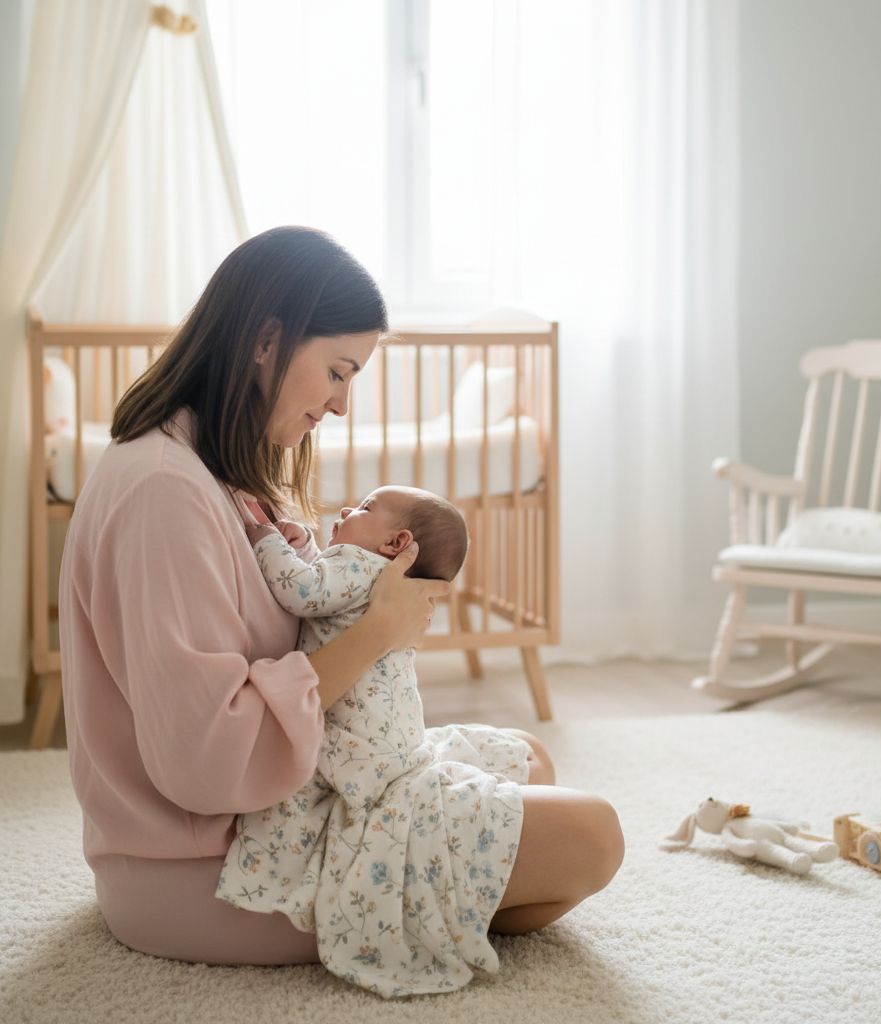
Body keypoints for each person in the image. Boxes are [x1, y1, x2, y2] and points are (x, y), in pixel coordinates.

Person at [58, 225, 624, 971]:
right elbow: (201, 760)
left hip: (277, 810)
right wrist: (380, 629)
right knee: (595, 836)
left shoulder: (210, 466)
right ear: (266, 339)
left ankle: (447, 895)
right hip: (210, 866)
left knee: (533, 760)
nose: (341, 404)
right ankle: (438, 902)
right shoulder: (164, 492)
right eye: (336, 371)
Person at [218, 484, 539, 996]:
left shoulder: (356, 564)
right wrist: (301, 544)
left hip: (362, 753)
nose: (347, 509)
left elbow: (302, 592)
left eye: (366, 508)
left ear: (397, 543)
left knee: (530, 769)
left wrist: (265, 538)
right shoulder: (378, 578)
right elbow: (319, 588)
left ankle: (465, 897)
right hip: (391, 742)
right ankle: (477, 897)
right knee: (530, 765)